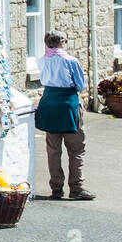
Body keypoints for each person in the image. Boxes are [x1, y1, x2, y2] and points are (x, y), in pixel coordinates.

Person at [34, 30, 94, 200]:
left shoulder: (42, 60)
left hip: (49, 103)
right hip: (67, 104)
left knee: (53, 150)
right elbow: (80, 85)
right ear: (62, 42)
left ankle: (56, 188)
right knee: (76, 148)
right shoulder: (70, 60)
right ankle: (77, 187)